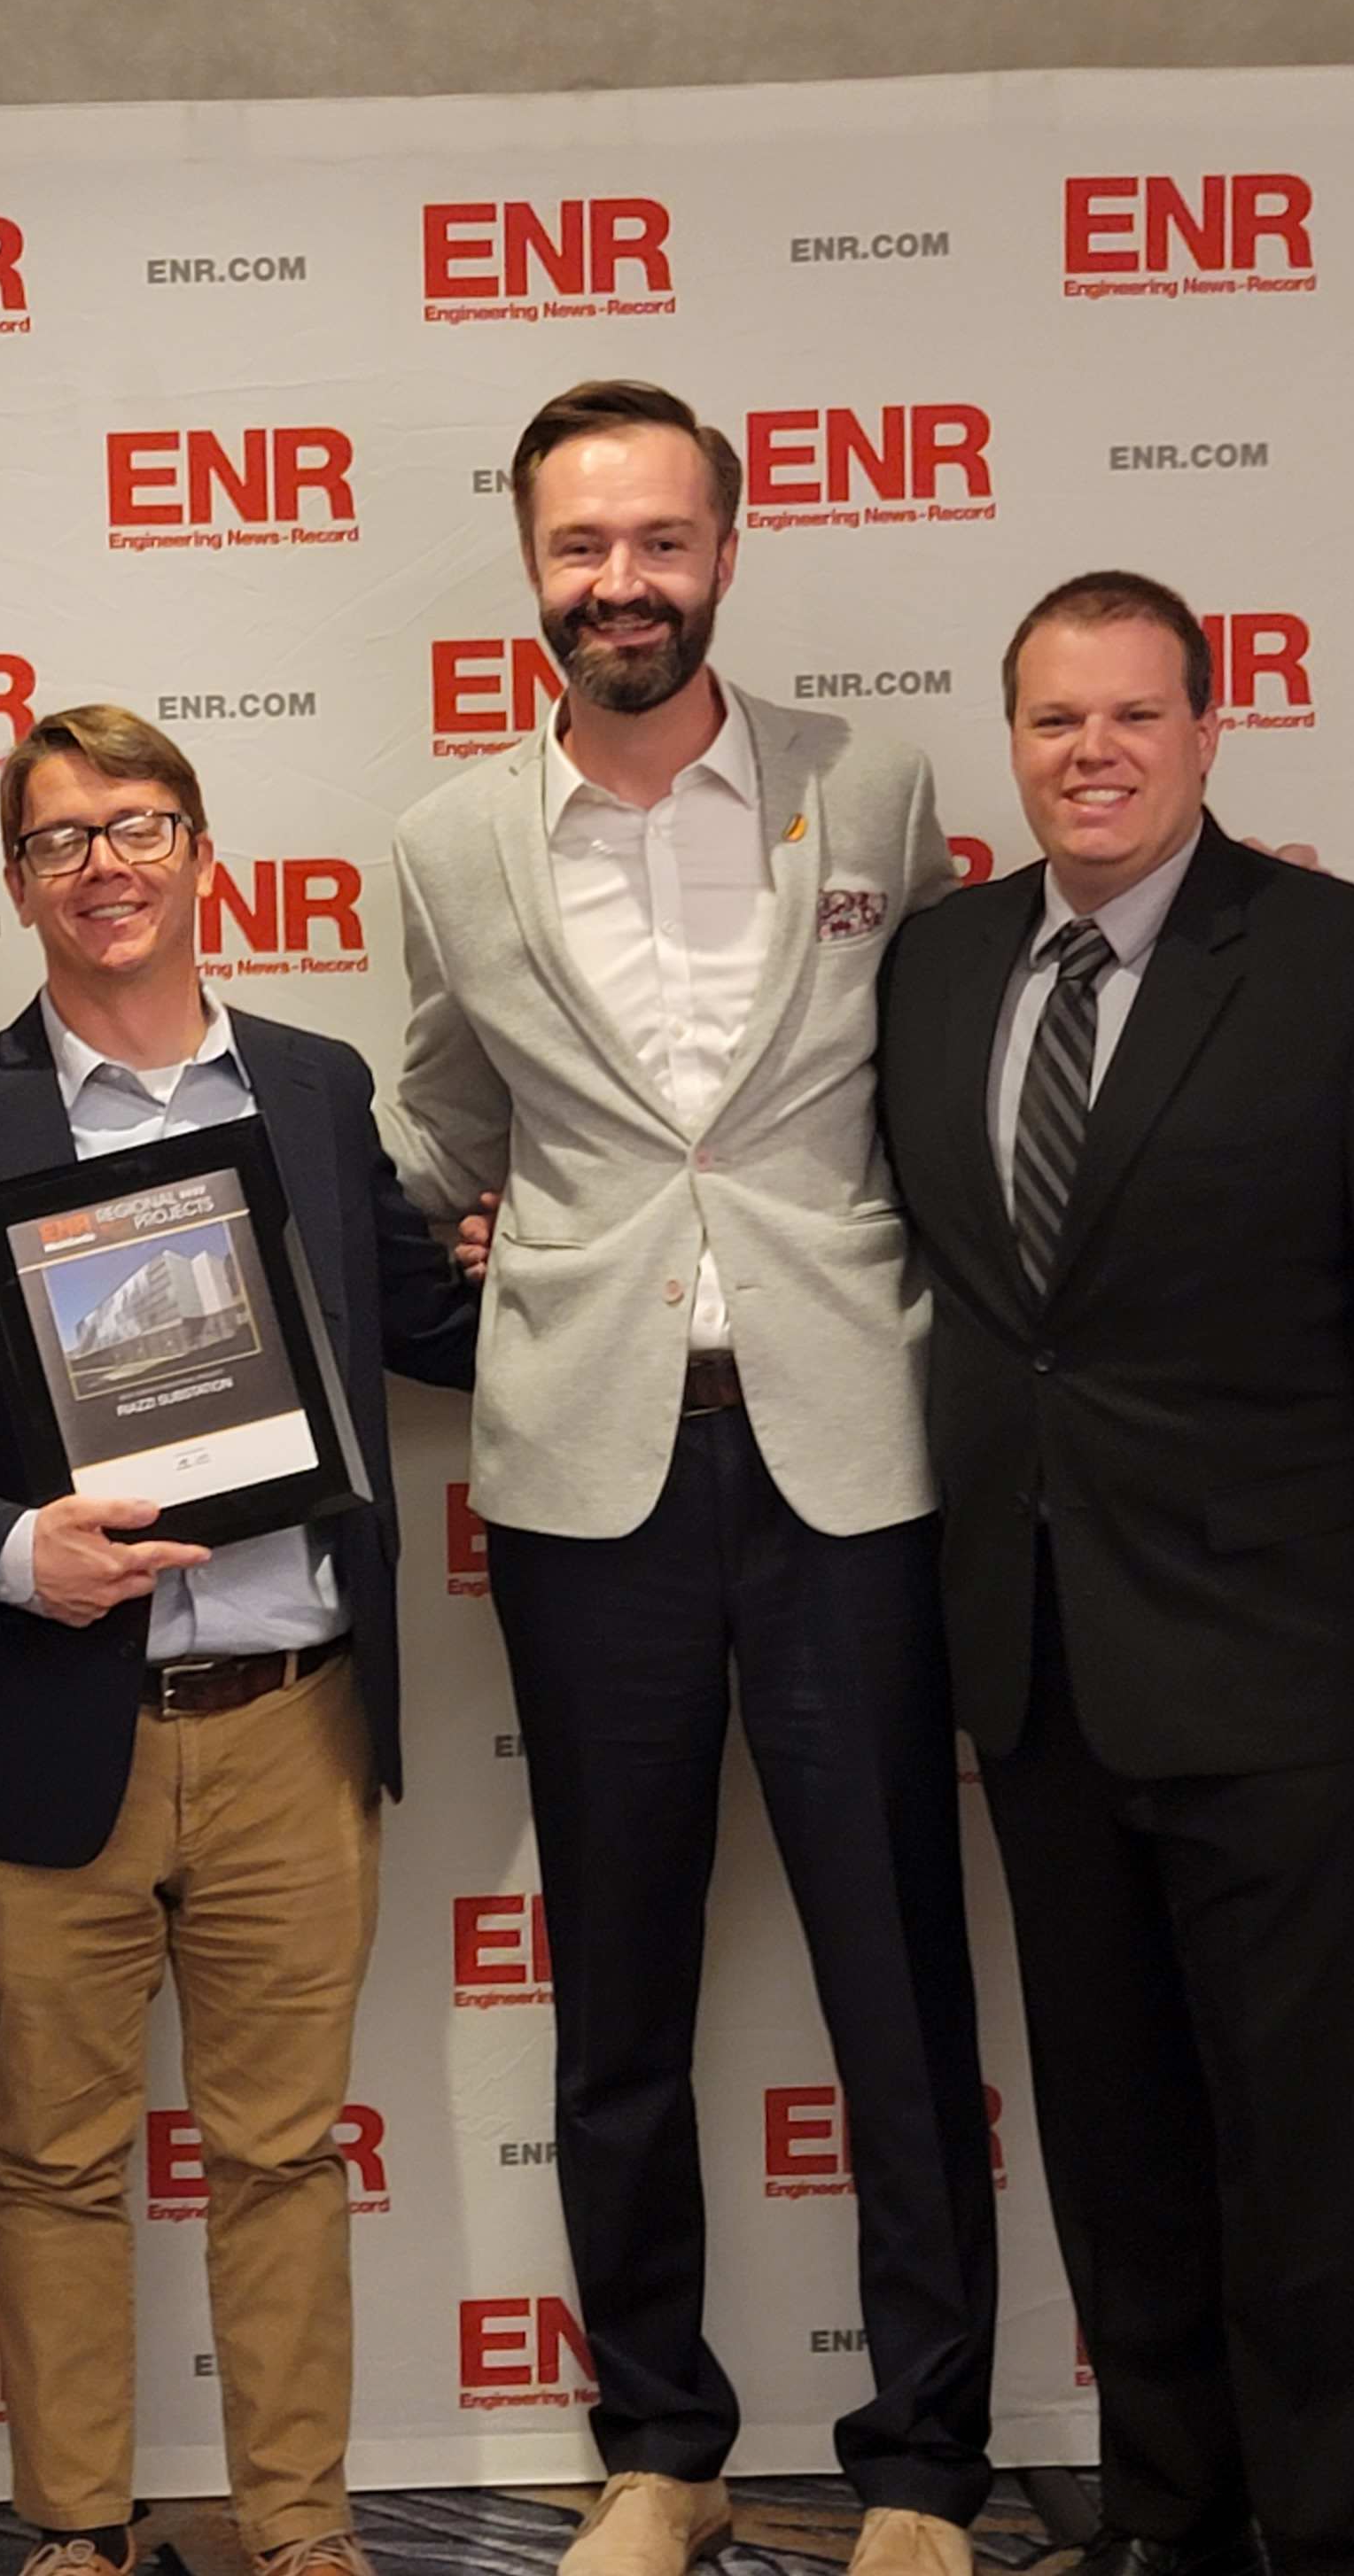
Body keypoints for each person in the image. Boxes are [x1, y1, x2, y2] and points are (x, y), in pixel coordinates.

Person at [876, 571, 1354, 2576]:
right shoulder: (932, 970)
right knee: (1117, 2151)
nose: (1088, 754)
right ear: (1008, 741)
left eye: (1130, 718)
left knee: (1307, 2160)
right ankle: (1170, 2525)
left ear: (1205, 728)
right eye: (1052, 720)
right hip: (1033, 1656)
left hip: (1277, 1665)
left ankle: (1334, 2545)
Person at [376, 379, 989, 2576]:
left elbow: (945, 1069)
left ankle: (923, 2461)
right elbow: (440, 1122)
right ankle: (661, 2441)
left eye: (656, 542)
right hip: (586, 1480)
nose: (615, 584)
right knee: (613, 1989)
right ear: (527, 567)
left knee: (897, 1979)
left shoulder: (879, 788)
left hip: (848, 1454)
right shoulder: (451, 843)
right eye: (576, 548)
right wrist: (505, 1241)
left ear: (723, 552)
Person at [0, 705, 475, 2576]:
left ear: (200, 850)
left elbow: (427, 1326)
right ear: (12, 882)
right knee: (52, 2157)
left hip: (292, 1719)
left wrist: (607, 1254)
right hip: (45, 1712)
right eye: (58, 839)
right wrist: (7, 1546)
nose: (102, 864)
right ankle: (75, 2535)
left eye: (138, 825)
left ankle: (301, 2535)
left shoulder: (320, 1092)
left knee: (280, 2154)